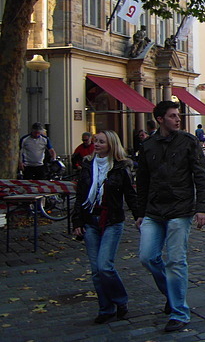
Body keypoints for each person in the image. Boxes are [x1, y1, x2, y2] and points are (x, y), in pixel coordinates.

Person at [136, 100, 205, 333]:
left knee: (176, 261)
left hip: (180, 209)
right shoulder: (148, 146)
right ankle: (171, 292)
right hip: (154, 210)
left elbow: (201, 176)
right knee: (147, 257)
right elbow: (142, 181)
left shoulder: (188, 142)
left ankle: (179, 312)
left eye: (178, 115)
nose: (178, 119)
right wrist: (139, 212)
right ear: (160, 119)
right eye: (172, 116)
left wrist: (202, 208)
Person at [72, 130, 139, 324]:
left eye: (101, 141)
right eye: (96, 141)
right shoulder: (87, 165)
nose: (97, 144)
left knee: (105, 266)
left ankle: (120, 300)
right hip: (90, 220)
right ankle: (106, 308)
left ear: (111, 144)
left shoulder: (120, 167)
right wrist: (77, 222)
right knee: (96, 270)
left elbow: (130, 195)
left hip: (112, 220)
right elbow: (81, 196)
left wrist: (138, 216)